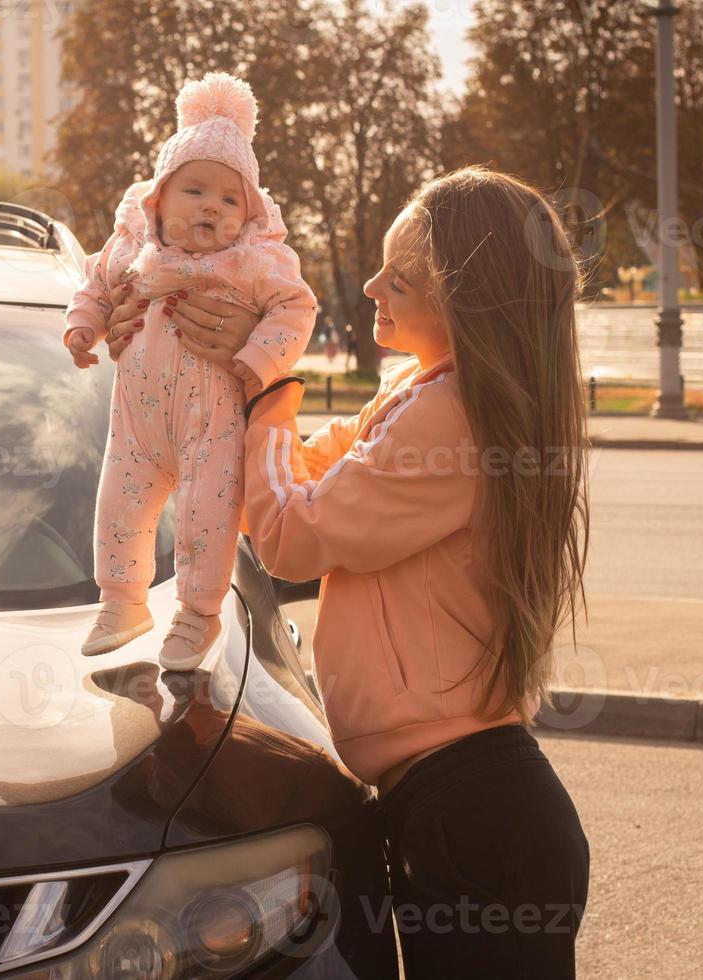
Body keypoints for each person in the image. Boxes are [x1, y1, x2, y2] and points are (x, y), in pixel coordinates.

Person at [109, 166, 593, 977]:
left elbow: (294, 535)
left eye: (396, 278)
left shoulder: (453, 417)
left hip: (474, 813)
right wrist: (226, 371)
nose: (370, 286)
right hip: (462, 808)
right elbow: (292, 471)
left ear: (462, 301)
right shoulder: (421, 395)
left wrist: (265, 385)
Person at [63, 72, 316, 670]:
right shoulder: (130, 252)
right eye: (194, 190)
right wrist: (82, 327)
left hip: (214, 431)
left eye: (230, 200)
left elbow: (296, 308)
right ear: (157, 202)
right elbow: (96, 285)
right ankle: (123, 602)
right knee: (119, 511)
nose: (211, 206)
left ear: (248, 214)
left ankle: (198, 614)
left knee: (207, 522)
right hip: (138, 431)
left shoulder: (254, 262)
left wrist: (257, 358)